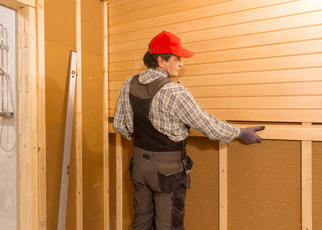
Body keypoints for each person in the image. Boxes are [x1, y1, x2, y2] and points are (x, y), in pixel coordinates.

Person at [113, 30, 264, 230]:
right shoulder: (174, 91)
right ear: (161, 61)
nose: (181, 63)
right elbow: (207, 125)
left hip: (139, 166)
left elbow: (120, 126)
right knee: (168, 226)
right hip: (167, 172)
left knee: (141, 222)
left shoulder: (128, 84)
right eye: (177, 58)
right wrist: (240, 132)